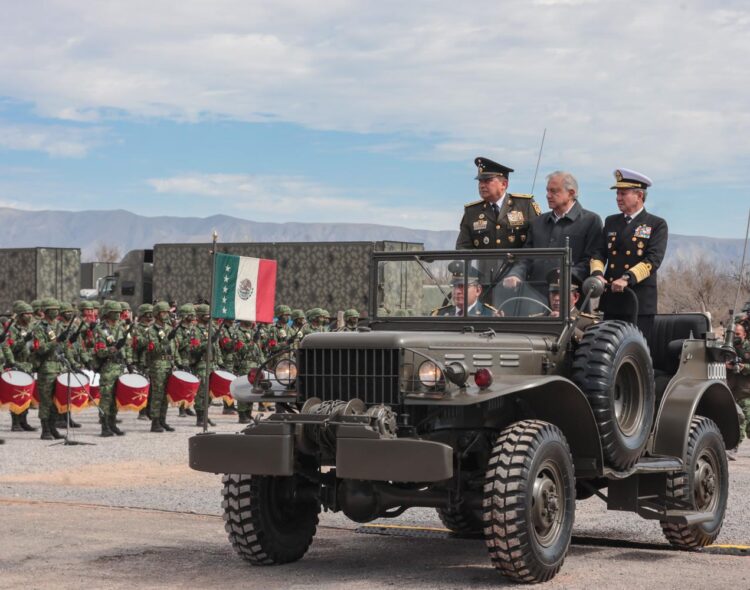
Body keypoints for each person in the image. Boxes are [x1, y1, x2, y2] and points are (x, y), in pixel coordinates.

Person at [590, 168, 668, 342]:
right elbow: (599, 252)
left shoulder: (656, 224)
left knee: (635, 351)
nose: (618, 198)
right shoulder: (611, 221)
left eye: (623, 193)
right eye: (617, 193)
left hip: (638, 302)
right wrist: (597, 274)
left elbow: (653, 260)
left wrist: (627, 278)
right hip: (612, 299)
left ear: (639, 195)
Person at [503, 171, 603, 291]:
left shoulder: (590, 221)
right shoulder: (537, 222)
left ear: (571, 193)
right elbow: (526, 257)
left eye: (554, 191)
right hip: (535, 296)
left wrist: (569, 275)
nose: (548, 195)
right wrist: (515, 274)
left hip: (570, 296)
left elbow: (591, 260)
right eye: (547, 190)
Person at [456, 157, 541, 250]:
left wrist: (523, 264)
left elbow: (539, 241)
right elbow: (462, 248)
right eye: (480, 181)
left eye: (487, 181)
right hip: (486, 264)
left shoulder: (525, 205)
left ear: (504, 184)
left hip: (519, 264)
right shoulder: (472, 212)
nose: (482, 185)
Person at [93, 300, 131, 437]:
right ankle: (104, 426)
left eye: (119, 312)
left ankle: (113, 423)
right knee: (106, 398)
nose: (118, 315)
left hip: (120, 367)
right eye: (115, 312)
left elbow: (127, 347)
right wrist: (113, 349)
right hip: (108, 367)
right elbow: (100, 351)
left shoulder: (121, 328)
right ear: (108, 313)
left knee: (116, 397)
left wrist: (129, 362)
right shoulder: (100, 330)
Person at [30, 298, 64, 440]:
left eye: (57, 309)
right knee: (46, 401)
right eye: (52, 309)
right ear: (45, 311)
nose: (55, 311)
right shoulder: (39, 328)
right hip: (46, 368)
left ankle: (53, 427)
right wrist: (55, 342)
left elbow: (64, 347)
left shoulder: (59, 326)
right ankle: (45, 430)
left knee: (57, 400)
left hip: (58, 367)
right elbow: (39, 349)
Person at [3, 301, 37, 432]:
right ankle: (15, 422)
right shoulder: (12, 329)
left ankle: (24, 420)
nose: (29, 316)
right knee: (17, 394)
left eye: (30, 313)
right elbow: (12, 348)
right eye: (26, 314)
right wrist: (24, 340)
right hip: (17, 364)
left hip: (28, 365)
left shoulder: (30, 328)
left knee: (27, 394)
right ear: (20, 315)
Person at [144, 301, 176, 433]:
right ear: (156, 314)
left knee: (166, 395)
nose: (166, 315)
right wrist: (167, 339)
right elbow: (154, 349)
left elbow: (174, 348)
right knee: (157, 394)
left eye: (167, 312)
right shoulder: (151, 331)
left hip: (169, 363)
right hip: (157, 364)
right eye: (163, 312)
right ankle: (155, 422)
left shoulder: (169, 328)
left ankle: (163, 420)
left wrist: (176, 362)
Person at [431, 267, 498, 317]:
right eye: (454, 286)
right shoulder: (439, 315)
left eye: (463, 286)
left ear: (478, 290)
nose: (457, 291)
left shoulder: (490, 315)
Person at [727, 322, 750, 451]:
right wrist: (725, 365)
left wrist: (744, 367)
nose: (735, 336)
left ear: (744, 335)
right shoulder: (727, 348)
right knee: (736, 420)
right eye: (732, 334)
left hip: (746, 392)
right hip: (730, 391)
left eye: (738, 334)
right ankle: (733, 446)